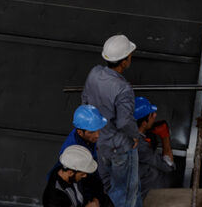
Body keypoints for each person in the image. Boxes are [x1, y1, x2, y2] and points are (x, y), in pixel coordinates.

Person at [81, 34, 139, 207]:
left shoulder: (94, 73)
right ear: (124, 61)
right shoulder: (123, 88)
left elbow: (85, 102)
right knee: (124, 193)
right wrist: (135, 136)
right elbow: (124, 122)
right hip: (120, 147)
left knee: (108, 189)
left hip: (101, 144)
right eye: (129, 55)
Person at [133, 97, 175, 197]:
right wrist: (165, 137)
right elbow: (168, 165)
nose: (155, 115)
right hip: (142, 197)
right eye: (151, 115)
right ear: (144, 123)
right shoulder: (140, 146)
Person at [44, 145, 110, 207]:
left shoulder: (77, 173)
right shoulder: (53, 198)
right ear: (70, 173)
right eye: (82, 174)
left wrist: (96, 200)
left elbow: (97, 185)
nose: (85, 176)